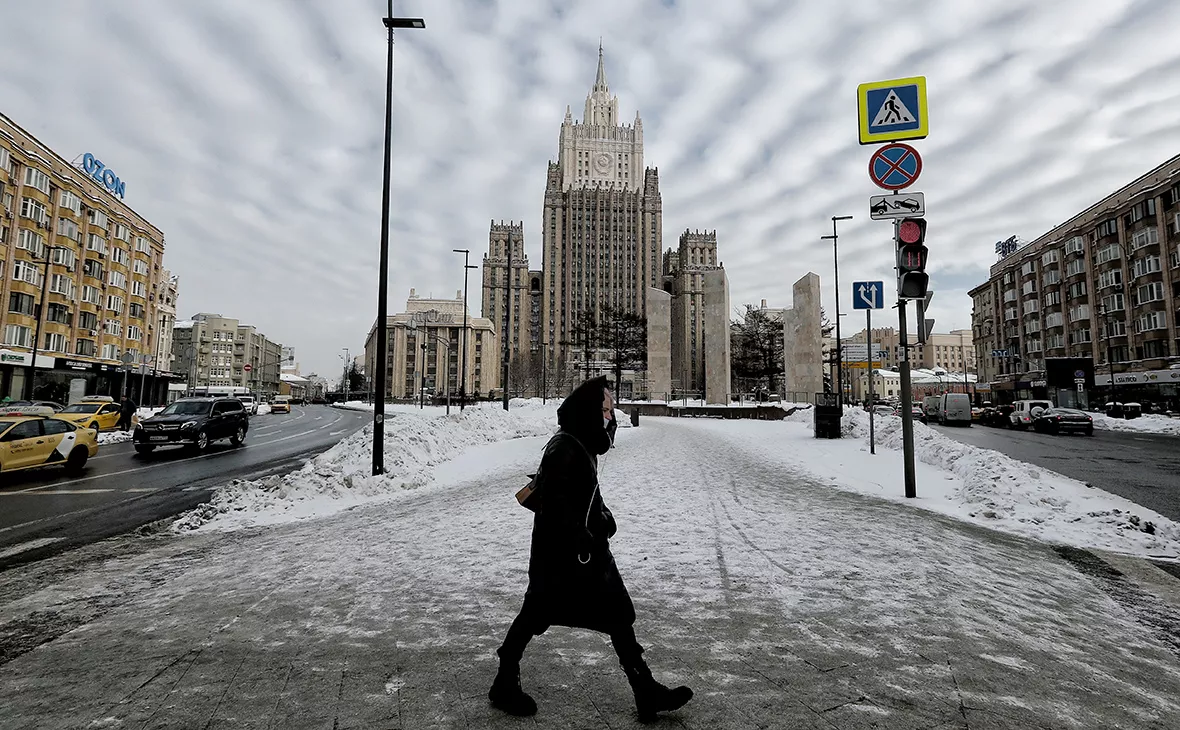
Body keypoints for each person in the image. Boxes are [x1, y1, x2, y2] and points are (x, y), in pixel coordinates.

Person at [489, 376, 693, 723]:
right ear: (587, 411)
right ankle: (505, 680)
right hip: (564, 557)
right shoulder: (564, 448)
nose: (609, 417)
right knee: (536, 614)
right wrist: (590, 528)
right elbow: (555, 504)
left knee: (615, 614)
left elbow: (585, 494)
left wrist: (601, 517)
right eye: (605, 410)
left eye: (611, 412)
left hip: (581, 556)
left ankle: (645, 690)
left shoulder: (580, 442)